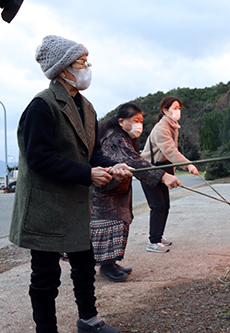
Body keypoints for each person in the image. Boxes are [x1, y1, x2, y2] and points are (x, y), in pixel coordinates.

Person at [9, 35, 131, 333]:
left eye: (87, 61)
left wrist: (111, 166)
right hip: (46, 205)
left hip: (74, 204)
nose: (87, 67)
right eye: (81, 62)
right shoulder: (41, 106)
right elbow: (39, 158)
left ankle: (88, 320)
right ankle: (46, 329)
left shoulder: (86, 107)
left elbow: (92, 153)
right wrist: (87, 174)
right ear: (63, 68)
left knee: (85, 264)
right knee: (45, 275)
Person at [90, 102, 182, 282]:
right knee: (108, 228)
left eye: (141, 120)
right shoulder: (114, 137)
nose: (140, 124)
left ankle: (111, 263)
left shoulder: (124, 136)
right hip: (105, 193)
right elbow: (133, 161)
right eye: (136, 120)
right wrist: (163, 176)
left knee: (118, 226)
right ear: (122, 121)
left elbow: (134, 160)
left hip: (117, 192)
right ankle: (106, 266)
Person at [140, 96, 199, 253]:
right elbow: (170, 151)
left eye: (179, 108)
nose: (178, 111)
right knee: (157, 205)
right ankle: (153, 242)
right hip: (149, 169)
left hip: (163, 167)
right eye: (174, 108)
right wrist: (188, 165)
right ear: (165, 110)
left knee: (165, 204)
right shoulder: (161, 128)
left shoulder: (172, 125)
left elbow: (170, 154)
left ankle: (158, 236)